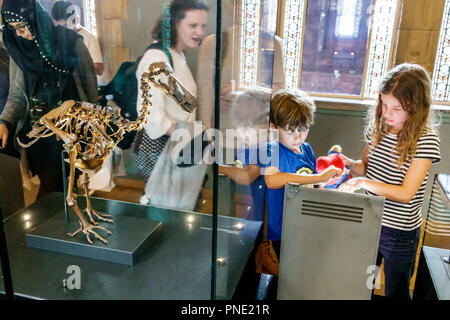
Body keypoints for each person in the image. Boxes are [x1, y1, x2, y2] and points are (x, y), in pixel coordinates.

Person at [338, 63, 441, 299]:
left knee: (396, 289)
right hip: (370, 221)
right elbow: (365, 167)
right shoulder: (378, 128)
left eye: (396, 108)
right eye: (384, 105)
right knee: (365, 283)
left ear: (416, 108)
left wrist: (363, 183)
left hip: (400, 231)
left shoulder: (425, 141)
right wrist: (345, 163)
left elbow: (406, 193)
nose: (387, 113)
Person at [221, 89, 342, 258]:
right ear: (274, 127)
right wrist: (319, 177)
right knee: (283, 273)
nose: (298, 137)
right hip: (281, 230)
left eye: (303, 129)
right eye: (290, 131)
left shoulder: (306, 149)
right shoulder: (272, 150)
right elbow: (272, 179)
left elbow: (313, 183)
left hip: (304, 224)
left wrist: (328, 180)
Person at [0, 0, 98, 199]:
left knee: (51, 188)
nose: (19, 34)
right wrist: (4, 121)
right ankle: (65, 226)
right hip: (37, 133)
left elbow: (90, 91)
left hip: (68, 131)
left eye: (21, 27)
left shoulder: (71, 43)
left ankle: (40, 228)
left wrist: (94, 129)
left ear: (34, 20)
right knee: (62, 187)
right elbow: (17, 94)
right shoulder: (20, 50)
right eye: (14, 29)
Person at [131, 0, 208, 205]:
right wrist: (183, 134)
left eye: (202, 26)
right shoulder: (157, 57)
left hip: (176, 143)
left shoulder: (178, 55)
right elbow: (149, 113)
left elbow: (182, 104)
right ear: (175, 24)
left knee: (177, 209)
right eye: (193, 25)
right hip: (160, 146)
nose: (199, 32)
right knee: (165, 211)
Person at [196, 0, 285, 131]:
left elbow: (280, 92)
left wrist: (242, 89)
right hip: (224, 134)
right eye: (238, 3)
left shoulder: (273, 44)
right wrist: (208, 139)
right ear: (233, 6)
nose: (244, 8)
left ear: (261, 7)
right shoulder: (214, 43)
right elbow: (205, 98)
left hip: (260, 134)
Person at [51, 0, 104, 76]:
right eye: (59, 26)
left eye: (65, 25)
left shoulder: (89, 38)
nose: (63, 30)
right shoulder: (56, 37)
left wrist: (76, 63)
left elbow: (99, 69)